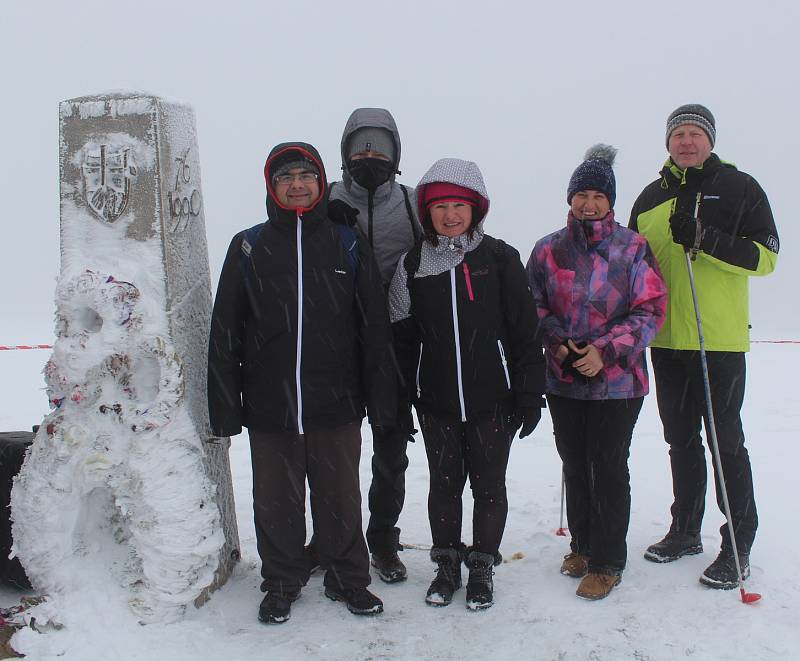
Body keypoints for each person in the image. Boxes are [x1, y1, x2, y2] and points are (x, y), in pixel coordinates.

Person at [208, 142, 396, 624]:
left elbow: (373, 328)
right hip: (271, 406)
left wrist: (381, 399)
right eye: (286, 177)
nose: (297, 184)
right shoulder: (249, 245)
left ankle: (348, 579)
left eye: (306, 176)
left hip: (336, 401)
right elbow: (226, 329)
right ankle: (283, 581)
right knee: (275, 500)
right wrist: (226, 406)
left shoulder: (346, 242)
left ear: (320, 184)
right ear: (271, 187)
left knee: (340, 496)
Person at [629, 104, 779, 589]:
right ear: (668, 142)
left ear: (710, 140)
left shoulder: (740, 188)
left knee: (724, 443)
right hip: (667, 338)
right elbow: (629, 263)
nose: (686, 142)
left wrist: (707, 238)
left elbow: (766, 257)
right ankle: (685, 530)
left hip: (717, 340)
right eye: (678, 134)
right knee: (680, 439)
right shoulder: (651, 196)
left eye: (695, 133)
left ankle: (738, 544)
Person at [388, 158, 545, 610]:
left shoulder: (499, 258)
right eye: (440, 206)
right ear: (426, 211)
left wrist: (530, 394)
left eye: (460, 205)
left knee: (489, 485)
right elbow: (400, 339)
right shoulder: (412, 264)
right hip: (435, 401)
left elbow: (524, 332)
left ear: (476, 209)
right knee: (444, 484)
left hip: (493, 400)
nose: (450, 214)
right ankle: (445, 566)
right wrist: (402, 399)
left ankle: (481, 566)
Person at [527, 145, 667, 600]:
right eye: (581, 195)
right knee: (574, 462)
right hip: (564, 378)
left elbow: (650, 310)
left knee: (607, 467)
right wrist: (560, 343)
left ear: (611, 201)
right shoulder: (549, 249)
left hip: (618, 383)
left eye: (598, 196)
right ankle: (583, 547)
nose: (589, 204)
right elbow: (534, 305)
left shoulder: (633, 247)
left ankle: (608, 561)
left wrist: (603, 352)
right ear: (570, 199)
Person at [327, 108, 421, 583]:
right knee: (332, 450)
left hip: (395, 348)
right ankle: (333, 539)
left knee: (390, 451)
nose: (370, 155)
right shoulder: (322, 199)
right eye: (361, 146)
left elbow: (443, 250)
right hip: (337, 345)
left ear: (395, 153)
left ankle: (383, 541)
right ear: (345, 151)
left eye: (380, 147)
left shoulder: (411, 203)